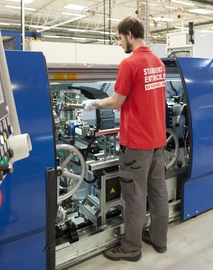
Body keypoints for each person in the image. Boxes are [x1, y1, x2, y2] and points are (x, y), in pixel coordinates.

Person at [82, 16, 169, 262]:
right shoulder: (158, 63)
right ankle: (159, 240)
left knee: (135, 197)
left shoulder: (129, 64)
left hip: (137, 144)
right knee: (158, 192)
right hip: (158, 142)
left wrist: (94, 103)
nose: (119, 44)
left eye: (119, 38)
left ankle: (131, 248)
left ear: (129, 34)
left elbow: (117, 101)